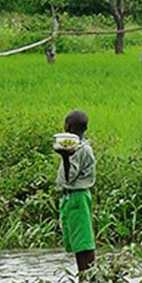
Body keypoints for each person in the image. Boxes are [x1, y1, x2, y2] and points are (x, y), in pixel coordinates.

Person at [56, 110, 96, 273]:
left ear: (68, 126)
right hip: (72, 198)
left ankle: (88, 279)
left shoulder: (79, 150)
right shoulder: (78, 147)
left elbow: (69, 177)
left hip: (77, 197)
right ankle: (87, 279)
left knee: (83, 244)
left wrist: (65, 157)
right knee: (80, 242)